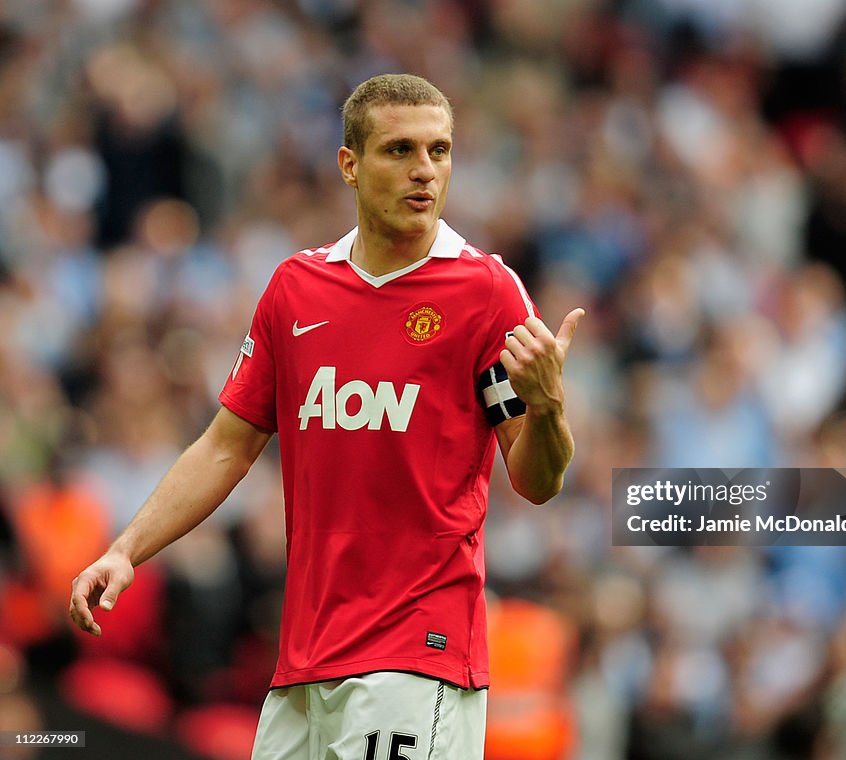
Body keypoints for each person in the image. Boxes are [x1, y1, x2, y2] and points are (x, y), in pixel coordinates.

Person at [69, 73, 584, 759]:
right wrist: (126, 549)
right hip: (306, 660)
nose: (425, 170)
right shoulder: (296, 289)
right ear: (350, 164)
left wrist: (548, 408)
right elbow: (227, 446)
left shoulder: (484, 293)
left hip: (418, 654)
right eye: (400, 150)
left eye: (440, 150)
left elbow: (537, 480)